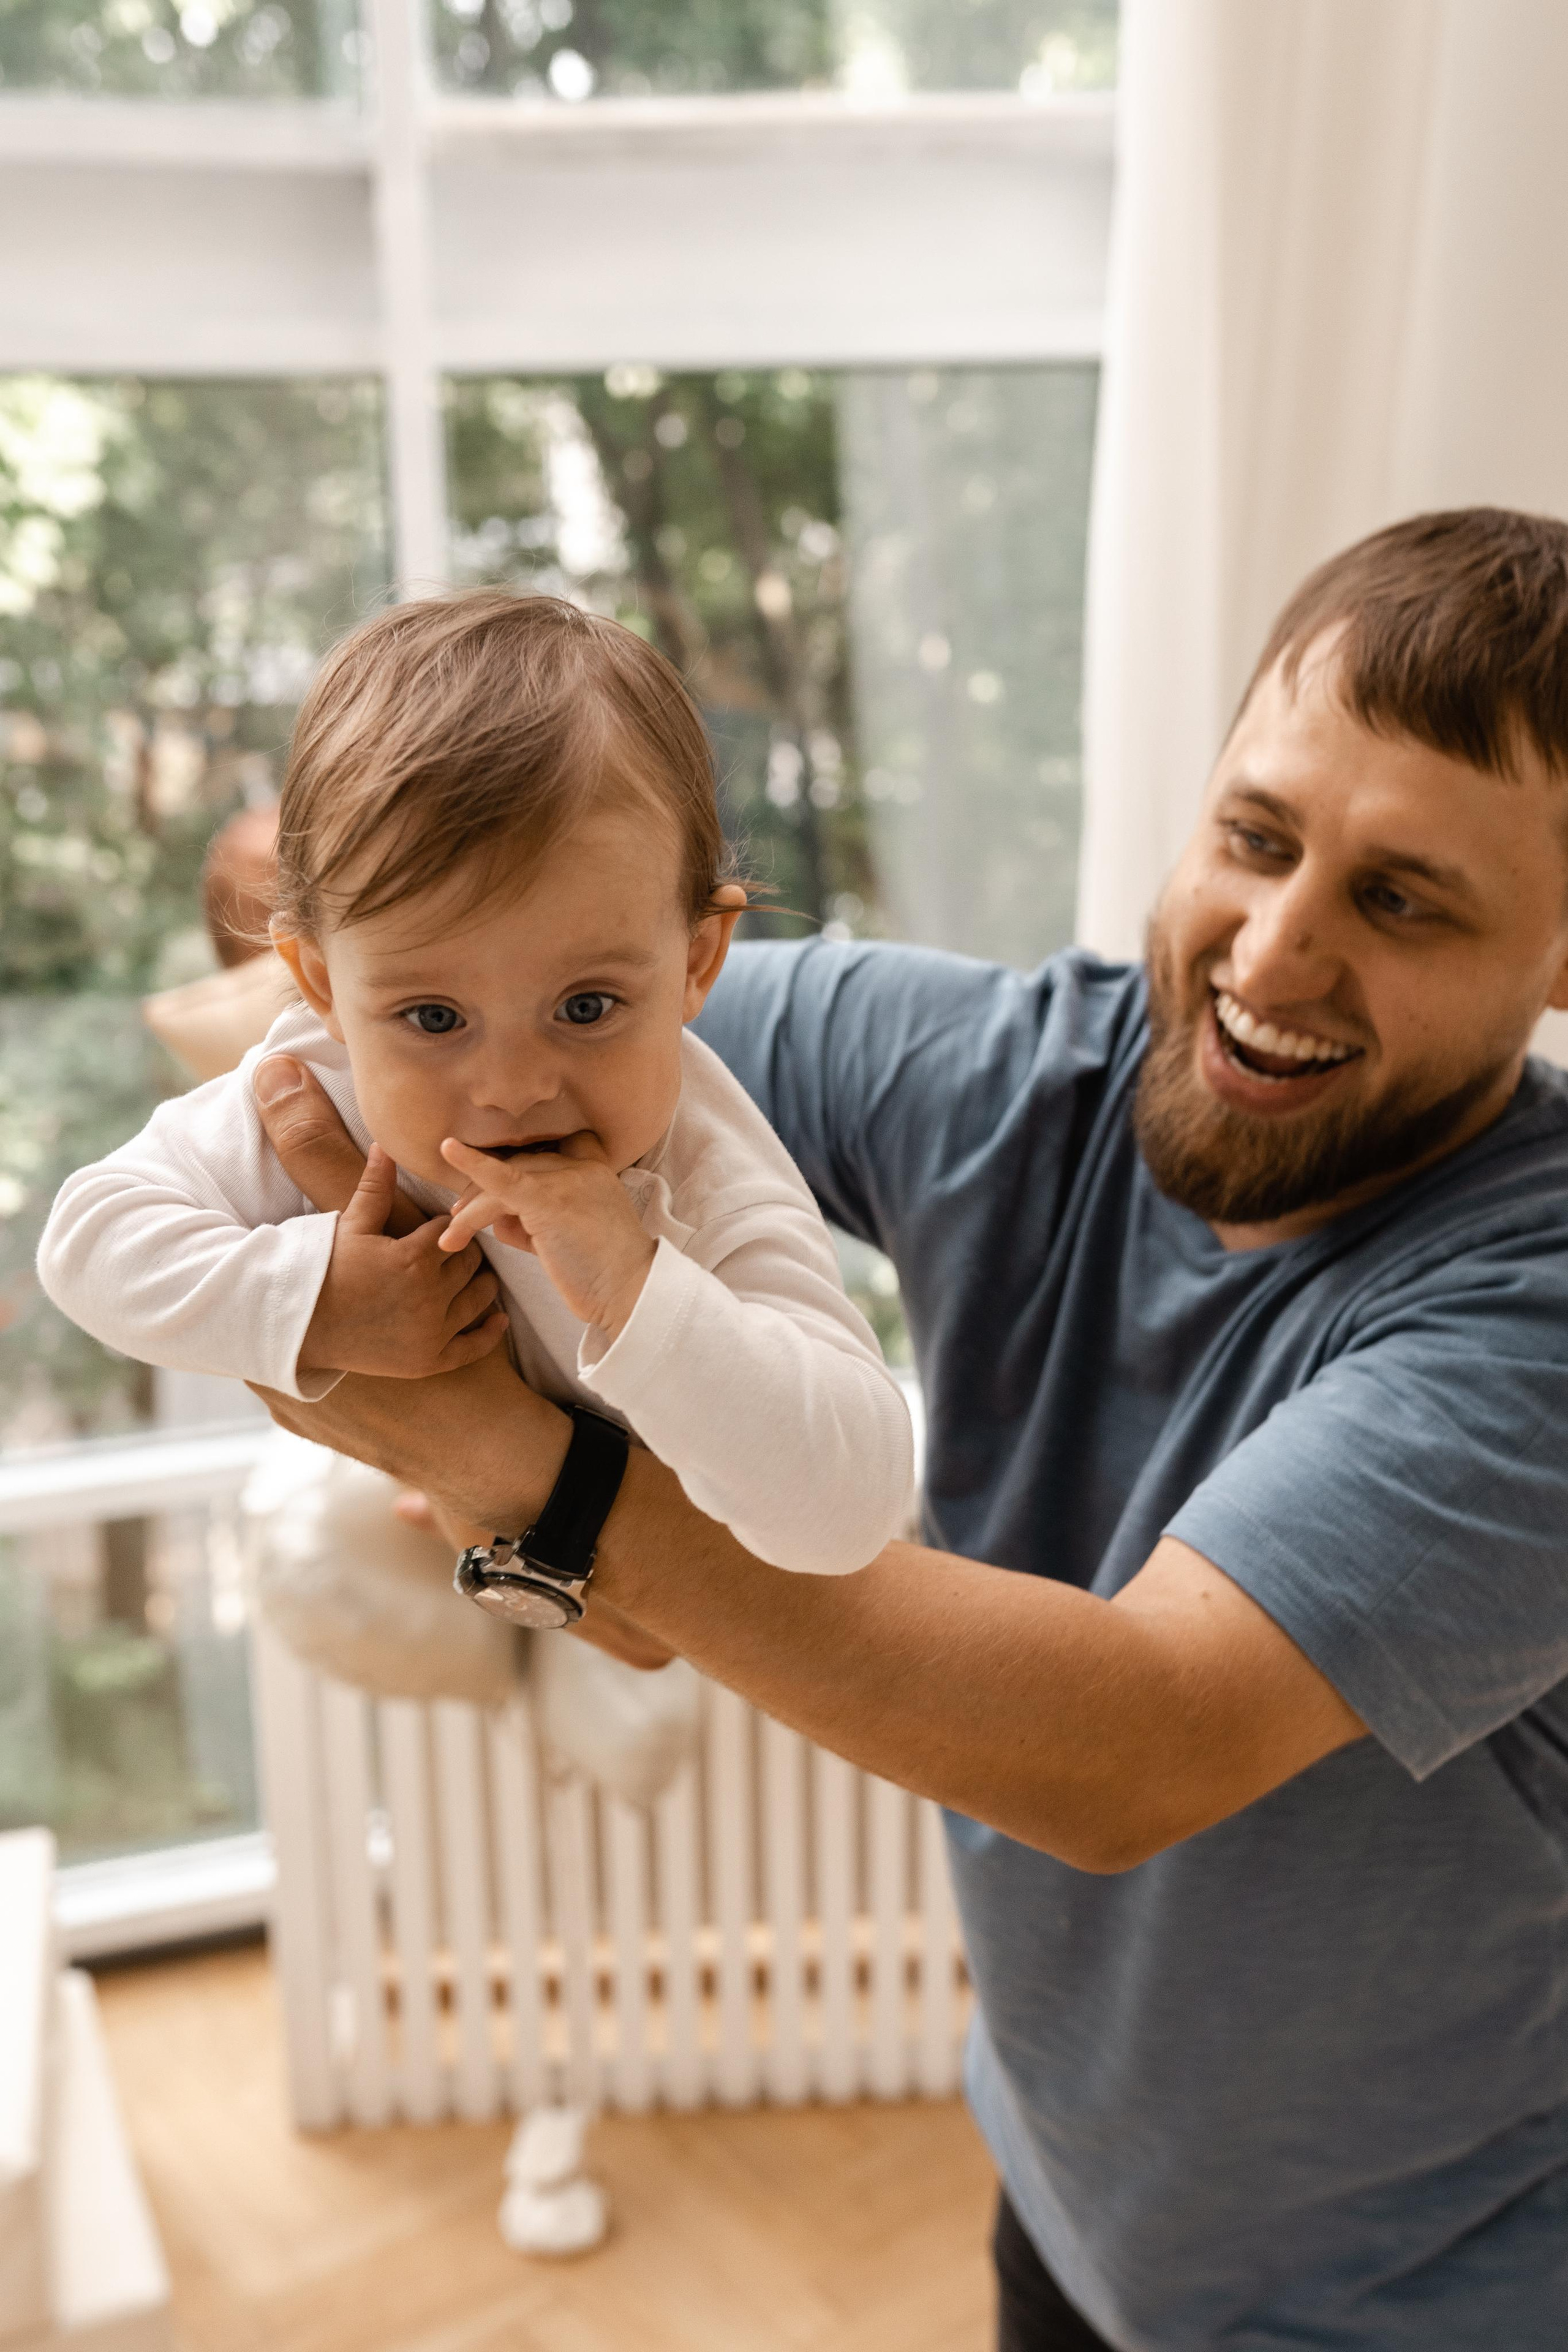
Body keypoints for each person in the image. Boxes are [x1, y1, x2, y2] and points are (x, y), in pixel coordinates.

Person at [242, 509, 1568, 2350]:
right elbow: (469, 1025)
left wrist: (525, 1475)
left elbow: (1133, 1744)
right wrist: (317, 1200)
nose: (1274, 953)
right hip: (1074, 2205)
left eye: (1403, 899)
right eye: (1255, 839)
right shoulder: (1027, 1076)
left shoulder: (1539, 1313)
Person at [37, 591, 913, 1583]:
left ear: (698, 961)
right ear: (323, 983)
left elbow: (855, 1509)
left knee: (634, 1714)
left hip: (682, 1596)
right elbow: (90, 1242)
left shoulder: (706, 1172)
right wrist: (321, 1300)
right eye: (435, 1019)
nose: (512, 1088)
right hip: (440, 1544)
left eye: (586, 1006)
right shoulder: (318, 1083)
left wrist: (638, 1285)